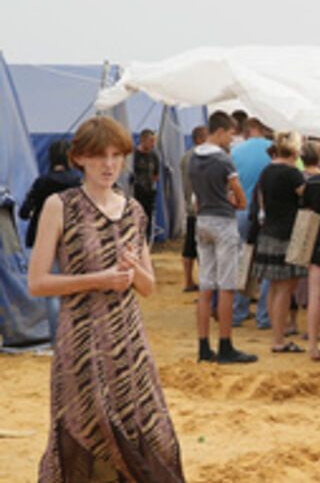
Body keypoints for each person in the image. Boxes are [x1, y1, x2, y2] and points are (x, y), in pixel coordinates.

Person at [28, 116, 185, 482]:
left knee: (150, 435)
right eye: (100, 156)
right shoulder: (60, 205)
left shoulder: (134, 211)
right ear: (80, 158)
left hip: (130, 345)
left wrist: (133, 271)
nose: (109, 164)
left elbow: (148, 287)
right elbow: (36, 282)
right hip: (81, 344)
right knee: (87, 436)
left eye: (117, 155)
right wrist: (98, 279)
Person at [188, 111, 258, 364]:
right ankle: (226, 345)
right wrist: (236, 202)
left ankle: (204, 346)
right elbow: (241, 198)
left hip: (203, 220)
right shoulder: (224, 160)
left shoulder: (194, 157)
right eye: (230, 133)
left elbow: (195, 196)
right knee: (226, 286)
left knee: (206, 286)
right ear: (220, 132)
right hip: (223, 221)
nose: (231, 138)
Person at [252, 131, 308, 354]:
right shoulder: (292, 173)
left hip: (269, 231)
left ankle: (277, 334)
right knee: (285, 288)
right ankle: (278, 339)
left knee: (275, 288)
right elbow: (306, 197)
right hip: (287, 234)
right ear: (295, 151)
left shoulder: (267, 171)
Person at [231, 116, 273, 328]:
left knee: (241, 263)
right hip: (268, 215)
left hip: (241, 212)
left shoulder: (236, 151)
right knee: (268, 267)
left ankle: (238, 312)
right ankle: (264, 316)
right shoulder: (273, 149)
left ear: (248, 130)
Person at [18, 140, 81, 248]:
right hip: (69, 239)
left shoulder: (41, 183)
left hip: (41, 237)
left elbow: (24, 213)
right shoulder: (77, 184)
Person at [302, 140, 320, 361]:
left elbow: (305, 213)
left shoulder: (313, 184)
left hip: (316, 242)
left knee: (315, 297)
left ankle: (312, 344)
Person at [179, 126, 208, 292]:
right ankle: (203, 282)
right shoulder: (202, 157)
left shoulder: (185, 157)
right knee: (202, 248)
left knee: (189, 247)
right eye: (205, 136)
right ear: (198, 139)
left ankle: (188, 281)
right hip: (202, 208)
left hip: (190, 209)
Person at [132, 128, 160, 242]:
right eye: (151, 141)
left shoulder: (154, 156)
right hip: (136, 192)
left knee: (147, 217)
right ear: (142, 140)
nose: (153, 144)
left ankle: (146, 240)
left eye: (154, 141)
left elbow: (156, 175)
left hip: (149, 192)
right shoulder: (134, 155)